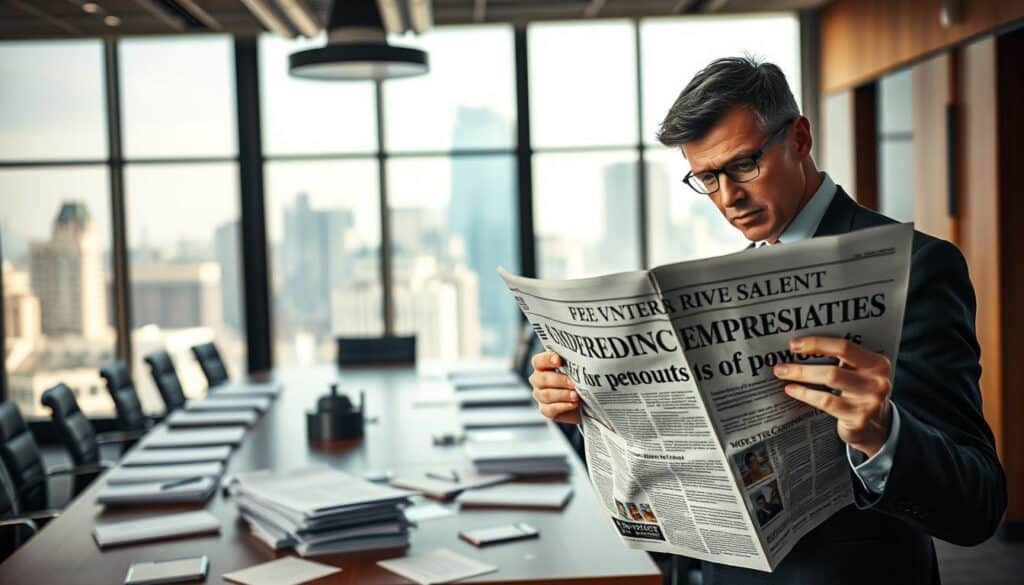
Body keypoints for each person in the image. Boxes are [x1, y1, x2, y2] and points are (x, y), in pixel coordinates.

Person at [526, 56, 1005, 585]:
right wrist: (593, 407)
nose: (728, 197)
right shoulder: (725, 284)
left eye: (743, 165)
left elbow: (977, 505)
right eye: (706, 178)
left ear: (799, 138)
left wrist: (883, 435)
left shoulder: (913, 267)